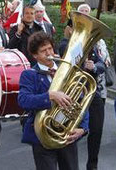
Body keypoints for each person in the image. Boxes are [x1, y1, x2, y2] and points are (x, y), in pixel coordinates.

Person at [18, 31, 88, 170]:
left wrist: (83, 128)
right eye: (43, 51)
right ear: (35, 55)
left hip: (66, 134)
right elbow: (23, 100)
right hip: (42, 137)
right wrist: (49, 96)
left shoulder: (68, 71)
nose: (49, 53)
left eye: (50, 48)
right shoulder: (29, 75)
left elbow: (82, 102)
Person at [77, 3, 109, 170]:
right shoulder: (67, 42)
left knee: (96, 130)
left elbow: (102, 64)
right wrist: (82, 66)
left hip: (92, 92)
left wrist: (94, 67)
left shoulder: (93, 45)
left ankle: (92, 165)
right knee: (73, 132)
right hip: (75, 93)